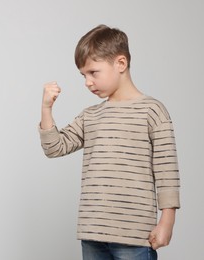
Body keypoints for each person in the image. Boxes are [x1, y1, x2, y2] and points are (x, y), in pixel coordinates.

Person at [39, 24, 180, 260]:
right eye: (83, 75)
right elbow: (55, 147)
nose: (87, 82)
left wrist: (167, 221)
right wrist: (46, 109)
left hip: (134, 236)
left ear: (120, 64)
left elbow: (167, 171)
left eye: (93, 72)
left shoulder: (152, 111)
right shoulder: (91, 115)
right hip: (92, 234)